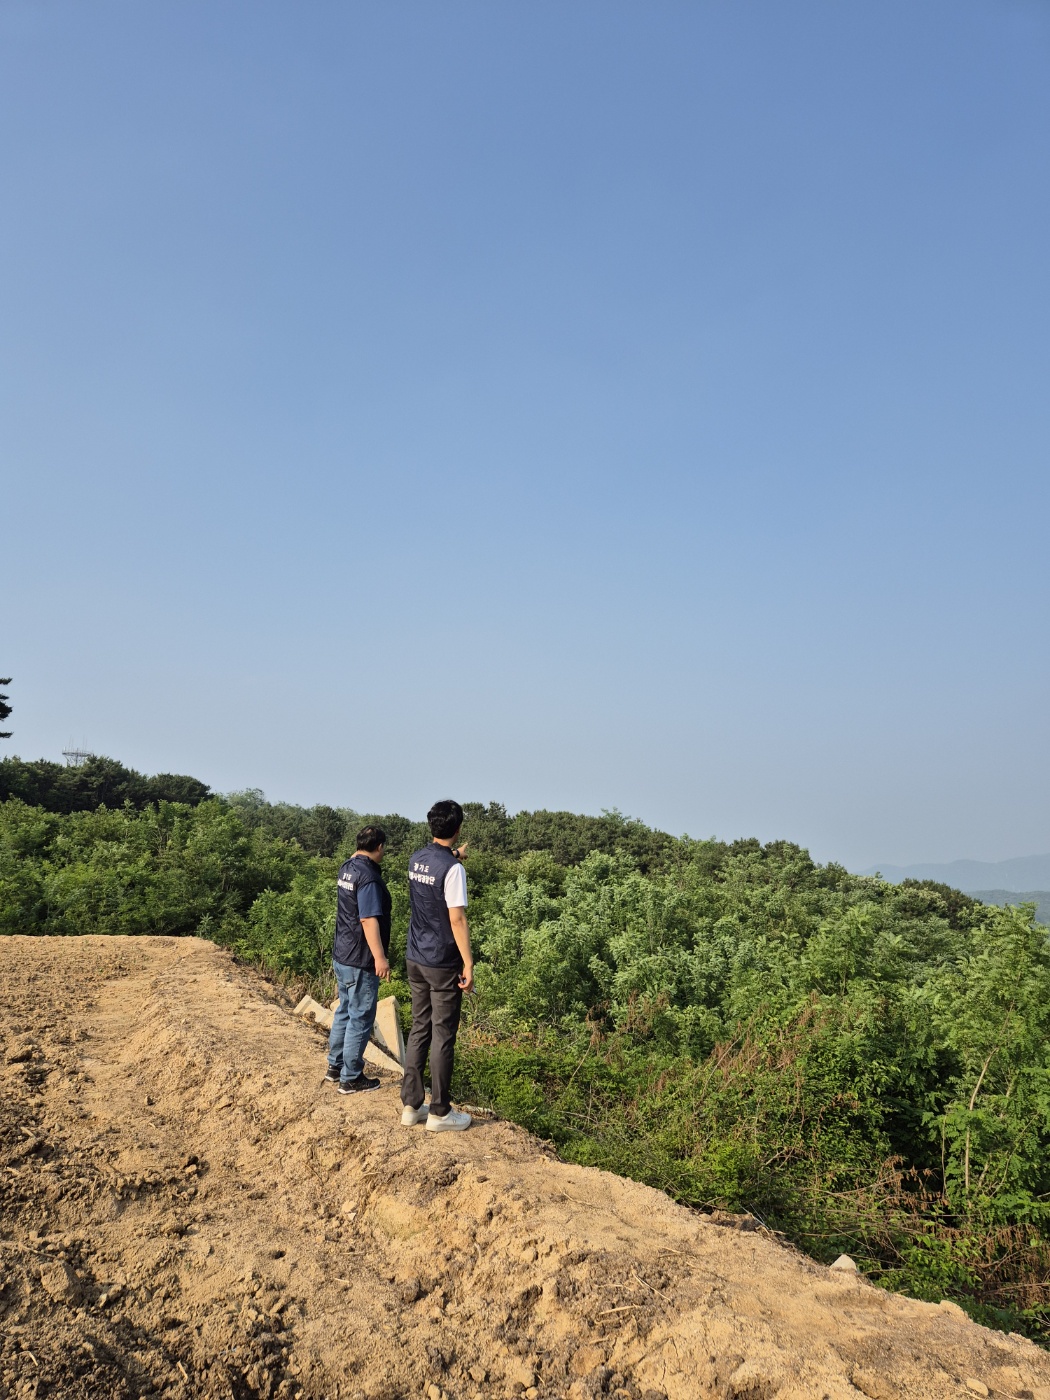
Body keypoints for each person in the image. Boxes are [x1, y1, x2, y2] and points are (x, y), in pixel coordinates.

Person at [401, 799, 474, 1132]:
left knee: (419, 1028)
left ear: (432, 826)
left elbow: (436, 867)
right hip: (442, 961)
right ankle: (440, 1113)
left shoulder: (417, 858)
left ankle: (411, 1105)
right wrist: (469, 963)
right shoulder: (453, 870)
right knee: (443, 1036)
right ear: (457, 828)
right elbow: (457, 919)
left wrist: (455, 854)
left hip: (415, 957)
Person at [325, 824, 392, 1094]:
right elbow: (367, 918)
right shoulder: (369, 879)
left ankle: (335, 1066)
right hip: (360, 958)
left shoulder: (347, 868)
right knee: (361, 1017)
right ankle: (351, 1077)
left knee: (343, 1010)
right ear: (379, 847)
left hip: (342, 954)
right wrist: (380, 958)